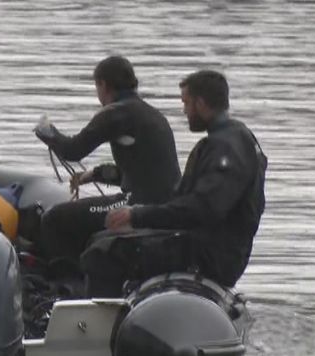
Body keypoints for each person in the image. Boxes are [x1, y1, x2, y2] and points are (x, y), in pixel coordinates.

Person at [89, 69, 266, 296]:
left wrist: (137, 216)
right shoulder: (234, 138)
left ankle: (96, 327)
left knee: (102, 252)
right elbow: (188, 202)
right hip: (210, 244)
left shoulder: (226, 149)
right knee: (104, 237)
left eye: (186, 103)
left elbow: (202, 209)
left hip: (212, 255)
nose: (184, 111)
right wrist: (142, 216)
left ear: (201, 103)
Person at [33, 56, 181, 272]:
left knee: (54, 220)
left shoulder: (115, 113)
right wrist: (93, 174)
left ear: (102, 84)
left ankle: (70, 288)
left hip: (139, 203)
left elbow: (73, 150)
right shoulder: (150, 113)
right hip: (164, 203)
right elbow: (141, 172)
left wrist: (47, 132)